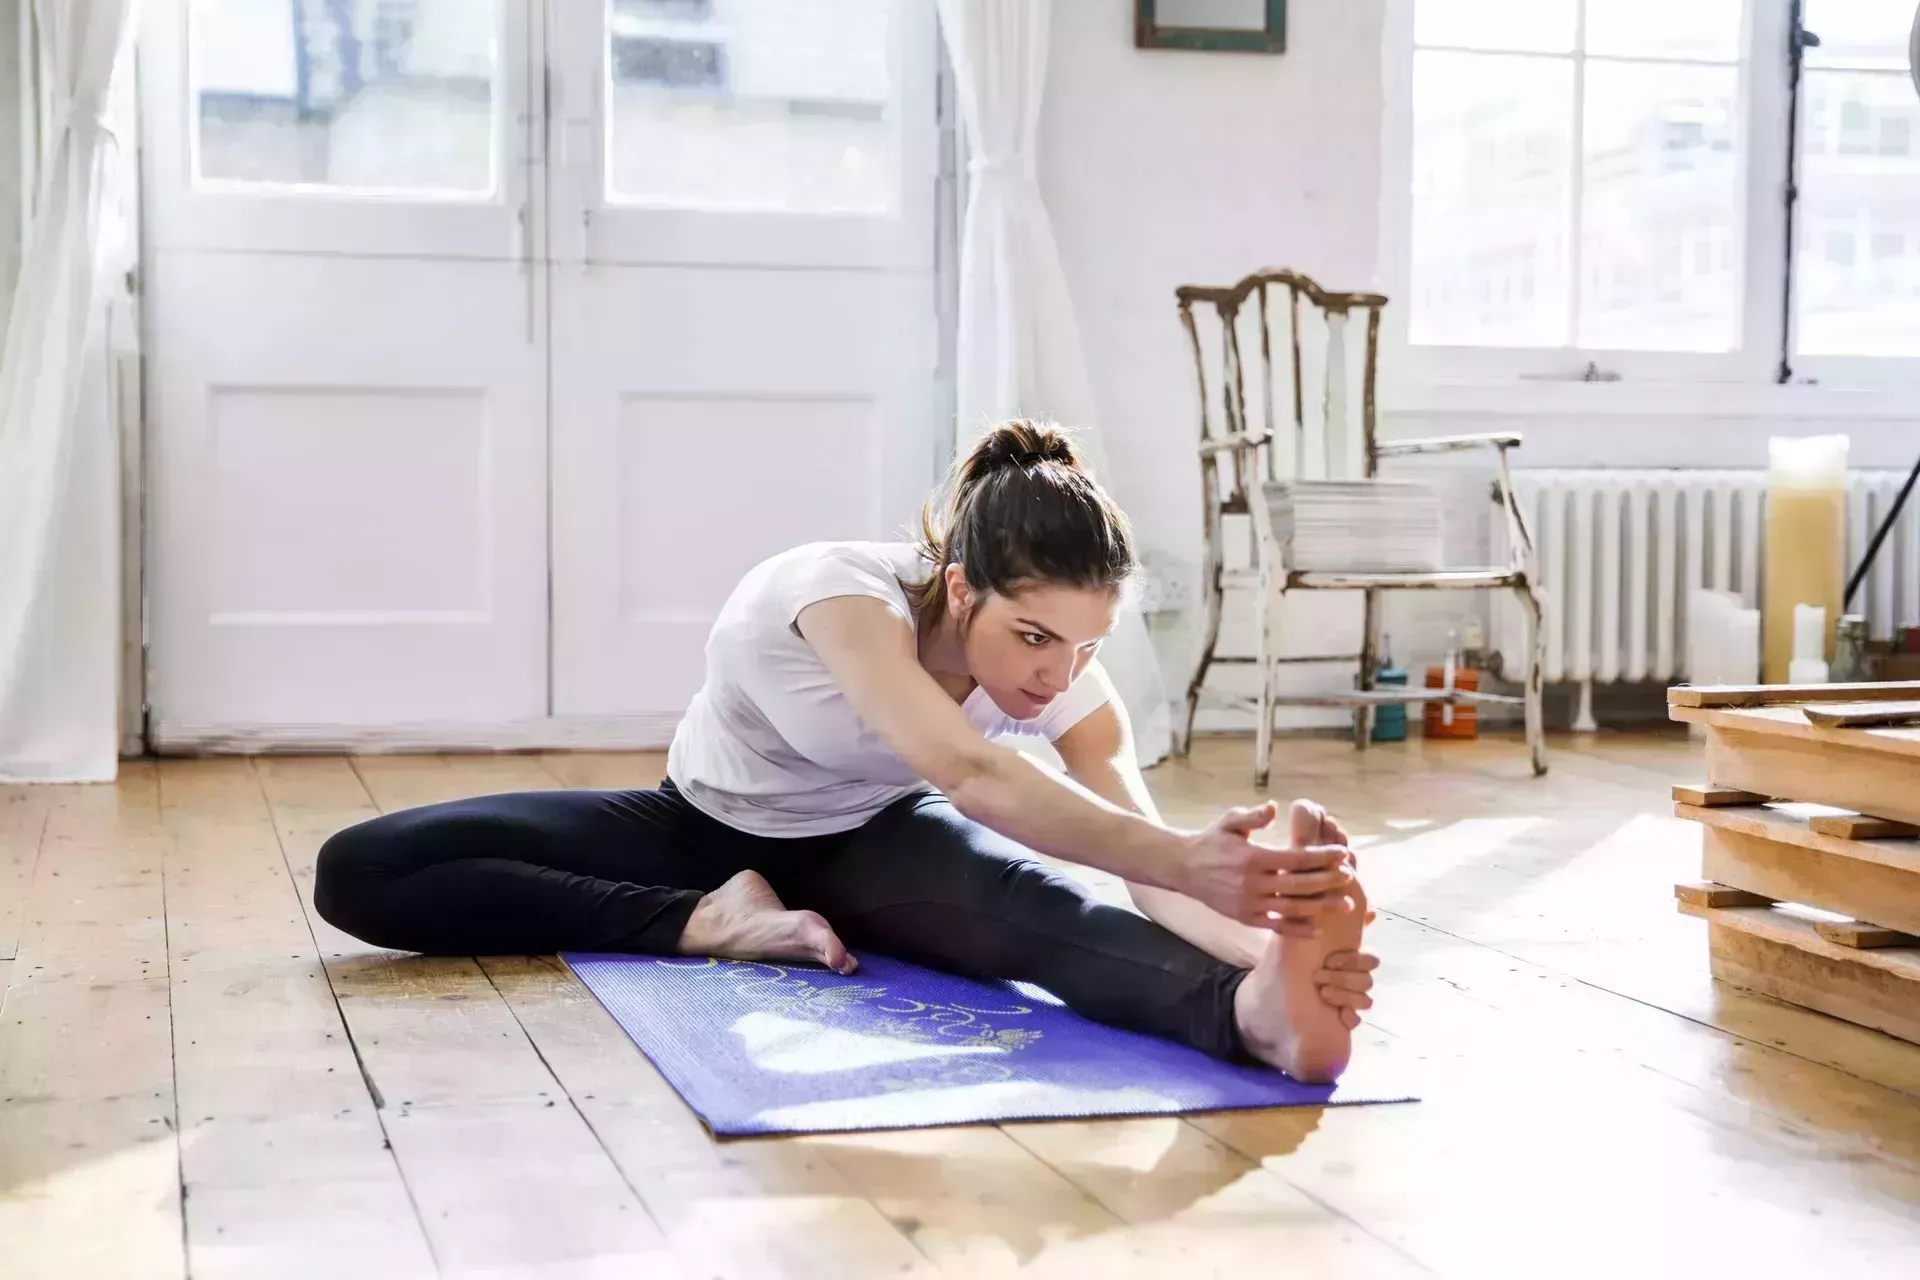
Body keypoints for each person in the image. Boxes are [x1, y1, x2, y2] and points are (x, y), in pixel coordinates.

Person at [314, 421, 1377, 1082]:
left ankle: (1251, 1022)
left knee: (1042, 919)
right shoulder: (835, 594)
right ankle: (707, 920)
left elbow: (1138, 857)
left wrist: (1271, 952)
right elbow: (968, 769)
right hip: (694, 829)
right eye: (1036, 638)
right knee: (361, 868)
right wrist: (1188, 856)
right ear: (961, 586)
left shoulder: (1067, 679)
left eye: (1087, 645)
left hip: (869, 842)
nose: (1056, 675)